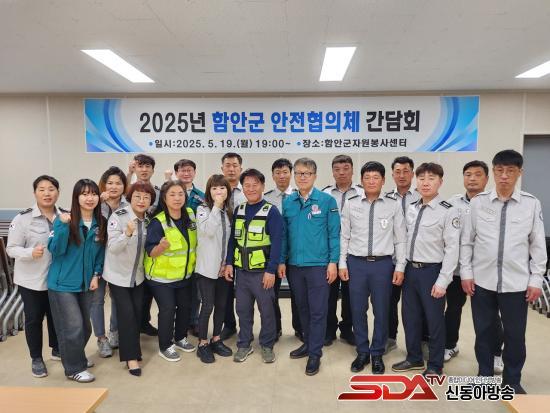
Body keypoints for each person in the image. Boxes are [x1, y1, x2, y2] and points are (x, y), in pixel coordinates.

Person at [460, 150, 547, 394]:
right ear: (494, 172)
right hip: (482, 282)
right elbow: (467, 241)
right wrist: (466, 273)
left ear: (520, 173)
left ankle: (512, 380)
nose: (504, 176)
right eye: (499, 170)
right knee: (484, 332)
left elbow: (538, 245)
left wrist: (536, 279)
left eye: (510, 171)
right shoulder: (478, 203)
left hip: (516, 283)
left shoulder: (530, 204)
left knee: (515, 335)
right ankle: (485, 374)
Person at [391, 162, 460, 376]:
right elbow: (403, 240)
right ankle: (414, 358)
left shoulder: (448, 211)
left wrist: (443, 281)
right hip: (410, 270)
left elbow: (452, 249)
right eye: (421, 179)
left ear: (440, 182)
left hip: (432, 272)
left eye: (431, 178)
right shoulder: (412, 208)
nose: (425, 183)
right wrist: (401, 267)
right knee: (410, 317)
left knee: (434, 320)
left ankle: (435, 365)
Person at [339, 162, 407, 374]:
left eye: (375, 177)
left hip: (383, 265)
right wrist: (342, 262)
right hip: (356, 264)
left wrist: (400, 266)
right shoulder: (351, 203)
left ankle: (377, 352)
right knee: (357, 310)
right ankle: (362, 351)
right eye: (367, 177)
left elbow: (400, 239)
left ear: (383, 180)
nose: (371, 181)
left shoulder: (393, 204)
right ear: (361, 180)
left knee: (382, 310)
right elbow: (344, 236)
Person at [279, 158, 340, 376]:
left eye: (307, 173)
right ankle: (307, 343)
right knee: (302, 308)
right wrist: (281, 260)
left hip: (318, 266)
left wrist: (333, 262)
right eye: (298, 173)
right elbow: (284, 236)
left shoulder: (326, 201)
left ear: (314, 176)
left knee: (317, 311)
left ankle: (315, 353)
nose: (302, 177)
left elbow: (334, 234)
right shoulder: (288, 202)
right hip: (295, 266)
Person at [444, 160, 505, 374]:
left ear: (486, 179)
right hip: (456, 270)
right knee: (453, 309)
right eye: (468, 174)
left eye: (478, 174)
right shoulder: (452, 203)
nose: (472, 178)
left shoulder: (495, 203)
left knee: (489, 314)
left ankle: (496, 353)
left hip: (483, 271)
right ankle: (450, 345)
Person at [47, 179, 106, 383]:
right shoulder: (63, 219)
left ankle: (75, 357)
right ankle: (74, 368)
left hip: (86, 284)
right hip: (62, 284)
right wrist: (63, 226)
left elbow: (100, 254)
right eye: (85, 194)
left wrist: (96, 275)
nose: (90, 198)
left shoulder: (101, 223)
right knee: (73, 327)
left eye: (94, 194)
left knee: (85, 328)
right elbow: (55, 250)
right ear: (76, 197)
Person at [7, 175, 64, 378]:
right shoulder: (23, 219)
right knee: (34, 319)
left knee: (57, 317)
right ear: (35, 193)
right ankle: (36, 358)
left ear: (58, 192)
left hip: (58, 279)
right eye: (42, 189)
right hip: (31, 280)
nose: (47, 193)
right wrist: (30, 252)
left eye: (51, 189)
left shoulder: (65, 215)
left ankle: (57, 349)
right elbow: (11, 248)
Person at [225, 169, 283, 364]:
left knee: (267, 311)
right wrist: (229, 263)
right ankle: (244, 344)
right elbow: (232, 241)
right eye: (247, 185)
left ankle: (267, 344)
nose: (251, 189)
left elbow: (277, 243)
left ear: (262, 186)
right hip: (242, 273)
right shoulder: (239, 210)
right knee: (242, 310)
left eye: (255, 185)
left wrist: (271, 271)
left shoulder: (271, 211)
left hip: (262, 273)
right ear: (242, 188)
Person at [103, 181, 156, 376]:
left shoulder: (149, 220)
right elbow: (113, 248)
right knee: (127, 315)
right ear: (129, 198)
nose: (142, 201)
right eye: (137, 197)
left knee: (136, 314)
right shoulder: (119, 217)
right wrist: (127, 234)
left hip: (138, 276)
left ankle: (133, 350)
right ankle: (131, 358)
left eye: (146, 197)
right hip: (118, 276)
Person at [143, 180, 198, 362]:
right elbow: (151, 252)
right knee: (168, 309)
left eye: (180, 194)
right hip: (161, 278)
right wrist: (161, 247)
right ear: (164, 198)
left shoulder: (190, 215)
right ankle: (165, 346)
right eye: (172, 194)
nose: (177, 198)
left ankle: (180, 338)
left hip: (184, 274)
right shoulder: (157, 222)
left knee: (185, 307)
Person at [385, 156, 425, 354]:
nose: (401, 175)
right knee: (388, 302)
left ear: (413, 174)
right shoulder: (385, 199)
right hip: (391, 261)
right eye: (397, 172)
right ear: (392, 174)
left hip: (416, 260)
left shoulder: (422, 196)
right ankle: (389, 338)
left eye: (406, 171)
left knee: (417, 305)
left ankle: (421, 342)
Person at [322, 155, 362, 346]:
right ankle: (329, 330)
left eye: (346, 168)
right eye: (337, 169)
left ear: (352, 170)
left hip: (353, 251)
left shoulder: (362, 192)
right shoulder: (324, 194)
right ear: (332, 172)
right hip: (329, 252)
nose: (342, 173)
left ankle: (347, 329)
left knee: (350, 294)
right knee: (328, 295)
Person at [194, 174, 233, 363]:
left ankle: (216, 338)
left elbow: (229, 240)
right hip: (207, 268)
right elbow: (208, 232)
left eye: (222, 188)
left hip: (224, 268)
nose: (219, 191)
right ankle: (202, 343)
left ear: (228, 191)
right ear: (209, 191)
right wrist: (216, 207)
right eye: (214, 188)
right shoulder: (202, 209)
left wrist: (227, 263)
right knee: (207, 306)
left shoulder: (229, 211)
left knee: (222, 305)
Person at [165, 159, 205, 338]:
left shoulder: (201, 196)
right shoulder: (169, 191)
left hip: (194, 249)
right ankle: (175, 323)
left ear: (194, 173)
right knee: (174, 293)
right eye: (182, 170)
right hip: (172, 251)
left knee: (195, 291)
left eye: (189, 170)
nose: (186, 173)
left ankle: (193, 321)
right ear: (177, 173)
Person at [91, 166, 128, 358]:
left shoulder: (127, 205)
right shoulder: (94, 202)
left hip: (118, 258)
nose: (114, 186)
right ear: (103, 184)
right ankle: (101, 338)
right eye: (110, 183)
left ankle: (115, 331)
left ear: (124, 186)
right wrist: (98, 202)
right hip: (96, 257)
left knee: (116, 298)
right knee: (97, 300)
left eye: (118, 183)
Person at [263, 158, 300, 340]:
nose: (282, 176)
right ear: (272, 175)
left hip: (296, 254)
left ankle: (300, 328)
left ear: (290, 173)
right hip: (273, 254)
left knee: (299, 295)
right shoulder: (266, 198)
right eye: (277, 173)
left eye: (285, 172)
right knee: (271, 295)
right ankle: (275, 328)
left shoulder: (300, 196)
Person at [127, 153, 159, 337]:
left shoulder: (159, 191)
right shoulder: (128, 189)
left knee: (147, 291)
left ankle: (143, 323)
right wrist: (128, 173)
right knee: (128, 295)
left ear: (153, 170)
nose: (144, 169)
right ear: (135, 168)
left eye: (148, 166)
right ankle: (126, 329)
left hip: (151, 246)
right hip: (130, 246)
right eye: (141, 166)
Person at [219, 152, 246, 341]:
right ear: (222, 168)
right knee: (225, 290)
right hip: (222, 247)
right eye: (227, 165)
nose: (231, 169)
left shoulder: (248, 190)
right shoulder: (216, 191)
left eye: (235, 165)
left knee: (247, 291)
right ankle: (229, 325)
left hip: (245, 246)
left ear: (240, 168)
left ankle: (248, 326)